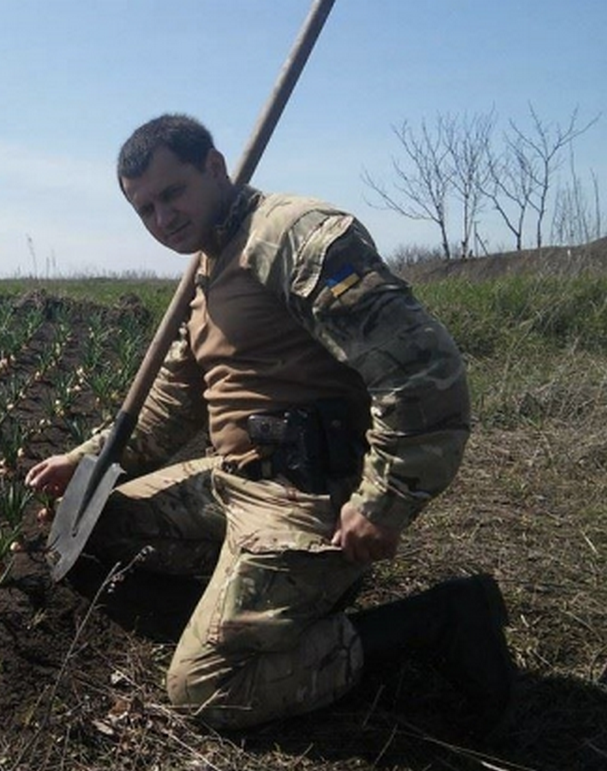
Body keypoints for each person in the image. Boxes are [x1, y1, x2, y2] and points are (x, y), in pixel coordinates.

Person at [25, 113, 514, 735]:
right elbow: (166, 408)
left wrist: (385, 501)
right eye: (145, 209)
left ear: (215, 167)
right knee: (105, 524)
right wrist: (85, 461)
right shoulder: (204, 273)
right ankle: (278, 603)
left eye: (173, 193)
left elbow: (424, 373)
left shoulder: (292, 237)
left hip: (305, 497)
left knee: (202, 688)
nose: (163, 219)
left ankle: (434, 620)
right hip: (235, 481)